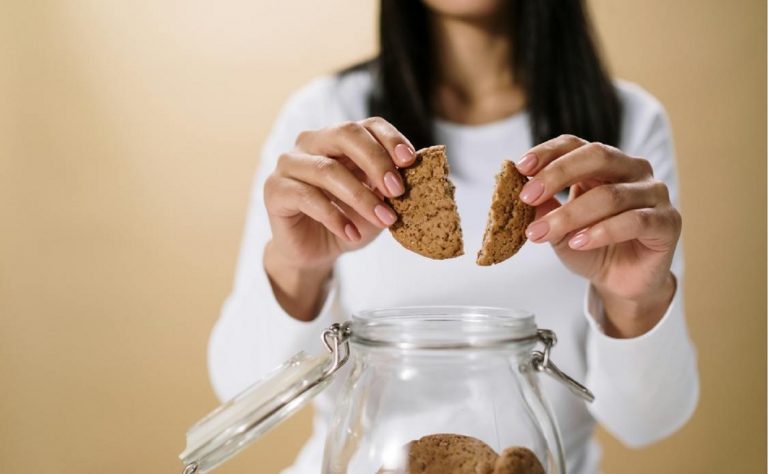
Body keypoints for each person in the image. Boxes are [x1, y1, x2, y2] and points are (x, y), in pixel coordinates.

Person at [208, 0, 699, 472]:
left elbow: (648, 422)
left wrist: (634, 300)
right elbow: (240, 391)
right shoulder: (326, 114)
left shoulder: (625, 127)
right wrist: (299, 267)